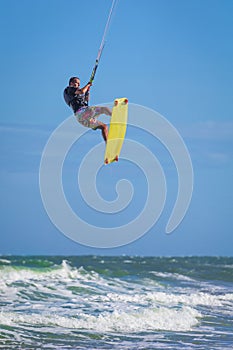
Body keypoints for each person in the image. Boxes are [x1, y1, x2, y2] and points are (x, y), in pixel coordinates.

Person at [63, 77, 111, 142]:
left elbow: (85, 100)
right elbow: (82, 91)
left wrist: (87, 93)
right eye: (77, 82)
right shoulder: (69, 89)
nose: (78, 85)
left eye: (79, 83)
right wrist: (88, 85)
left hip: (82, 119)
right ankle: (115, 115)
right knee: (104, 109)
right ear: (71, 83)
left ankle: (108, 145)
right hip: (82, 112)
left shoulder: (74, 95)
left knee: (104, 127)